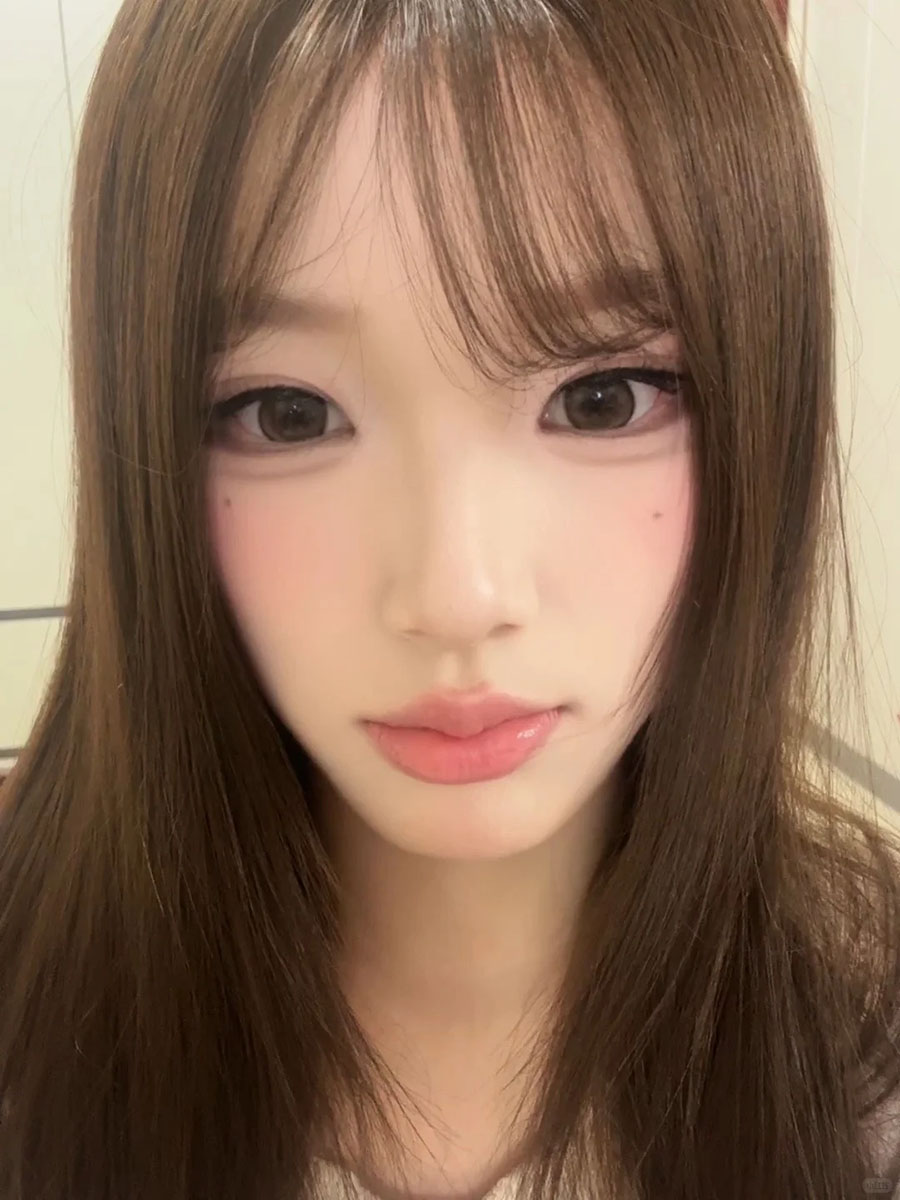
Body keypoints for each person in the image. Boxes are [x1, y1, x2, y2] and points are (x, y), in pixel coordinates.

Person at [1, 1, 899, 1197]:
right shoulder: (30, 1022)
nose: (457, 594)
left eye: (603, 398)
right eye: (288, 414)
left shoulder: (863, 1057)